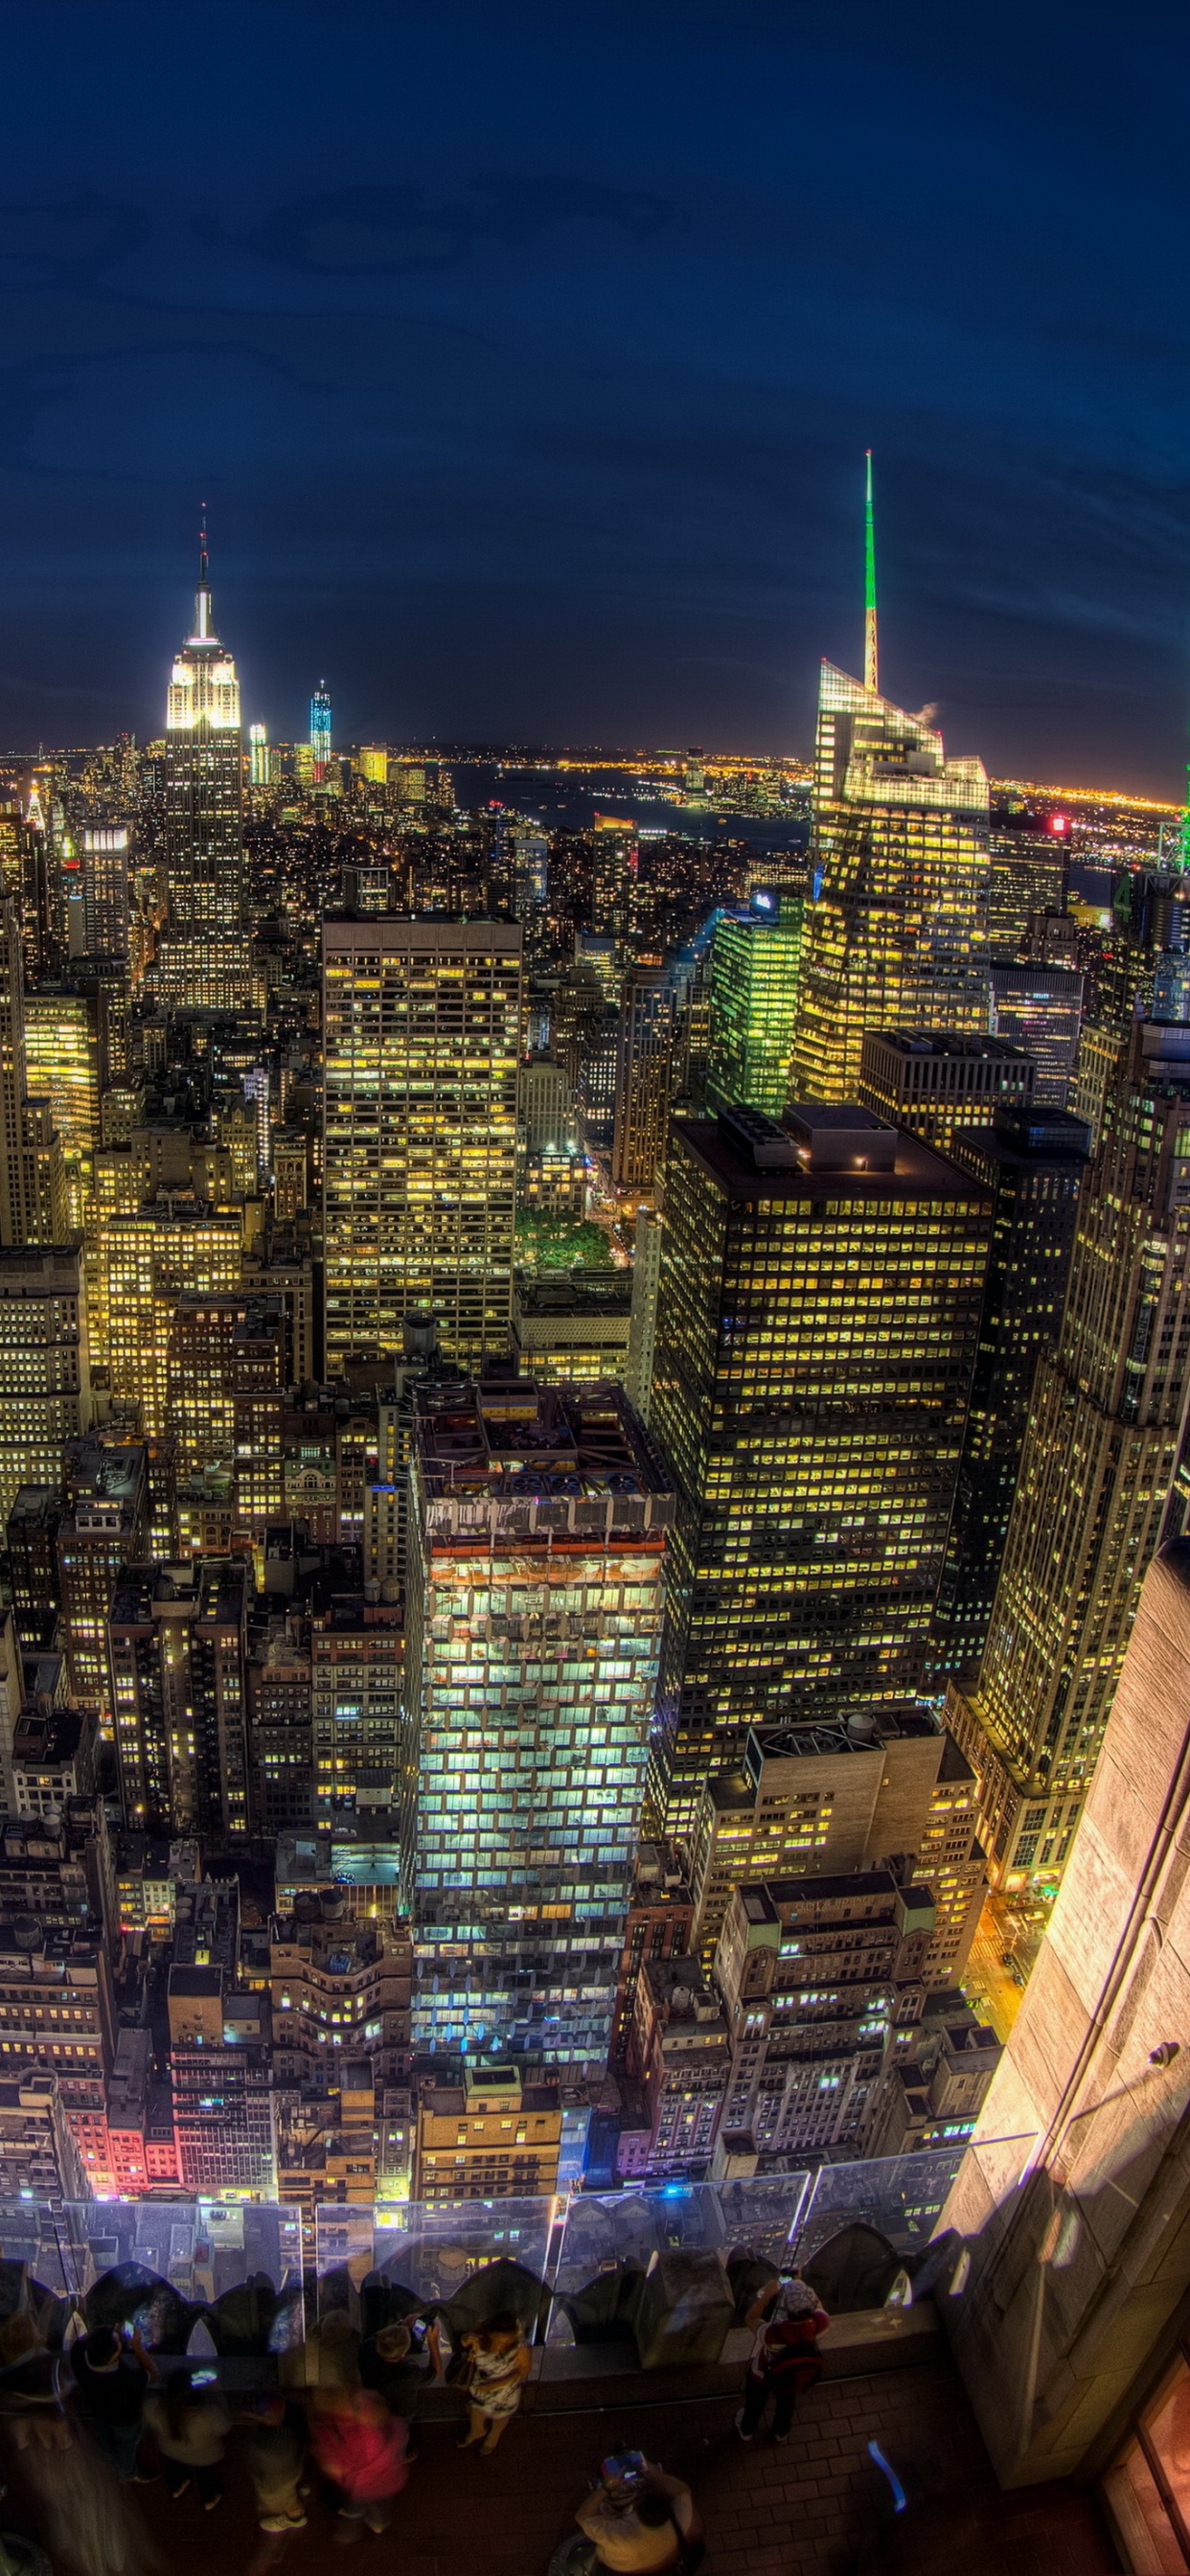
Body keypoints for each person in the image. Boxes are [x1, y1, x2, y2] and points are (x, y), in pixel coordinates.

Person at [307, 2380, 409, 2543]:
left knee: (354, 2506)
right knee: (380, 2506)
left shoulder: (329, 2431)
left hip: (360, 2487)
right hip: (388, 2479)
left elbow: (333, 2467)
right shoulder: (372, 2410)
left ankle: (349, 2531)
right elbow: (397, 2428)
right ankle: (379, 2525)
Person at [736, 2268, 830, 2444]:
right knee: (786, 2404)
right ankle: (781, 2431)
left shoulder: (773, 2334)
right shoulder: (820, 2324)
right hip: (791, 2376)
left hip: (763, 2374)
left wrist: (768, 2294)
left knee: (755, 2404)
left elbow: (750, 2319)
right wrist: (799, 2283)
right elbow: (818, 2306)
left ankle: (746, 2430)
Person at [574, 2454, 701, 2573]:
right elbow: (682, 2491)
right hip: (661, 2562)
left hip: (622, 2569)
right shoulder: (679, 2517)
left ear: (638, 2511)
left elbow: (581, 2517)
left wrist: (605, 2489)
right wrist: (656, 2476)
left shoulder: (619, 2534)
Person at [69, 2323, 155, 2482]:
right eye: (117, 2342)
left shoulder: (78, 2355)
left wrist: (107, 2332)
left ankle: (107, 2456)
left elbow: (83, 2341)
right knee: (126, 2446)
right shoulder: (127, 2380)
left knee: (104, 2438)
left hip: (100, 2411)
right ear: (115, 2355)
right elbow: (152, 2374)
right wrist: (137, 2347)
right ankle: (128, 2472)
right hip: (126, 2422)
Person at [143, 2367, 229, 2508]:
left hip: (170, 2451)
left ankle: (176, 2488)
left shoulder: (156, 2406)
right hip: (204, 2457)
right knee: (206, 2477)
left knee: (174, 2468)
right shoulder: (209, 2414)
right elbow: (225, 2427)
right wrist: (217, 2392)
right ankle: (209, 2500)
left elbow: (148, 2412)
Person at [454, 2309, 532, 2455]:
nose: (497, 2345)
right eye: (495, 2339)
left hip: (505, 2392)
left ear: (513, 2337)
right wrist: (465, 2339)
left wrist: (495, 2385)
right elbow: (465, 2342)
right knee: (476, 2410)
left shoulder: (520, 2347)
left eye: (504, 2341)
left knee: (501, 2415)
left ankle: (494, 2436)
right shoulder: (480, 2332)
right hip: (481, 2387)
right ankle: (476, 2431)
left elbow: (523, 2371)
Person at [0, 2312, 70, 2453]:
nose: (39, 2331)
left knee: (27, 2440)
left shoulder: (8, 2364)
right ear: (28, 2337)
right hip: (49, 2412)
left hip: (22, 2413)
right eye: (36, 2329)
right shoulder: (45, 2361)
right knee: (59, 2439)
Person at [244, 2393, 308, 2534]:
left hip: (280, 2481)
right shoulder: (288, 2434)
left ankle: (294, 2518)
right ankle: (295, 2517)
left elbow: (253, 2464)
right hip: (286, 2476)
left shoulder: (263, 2446)